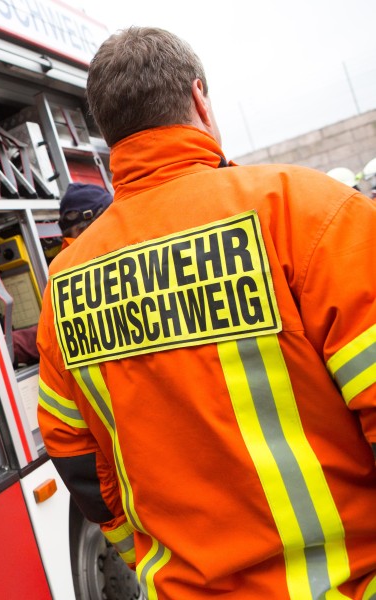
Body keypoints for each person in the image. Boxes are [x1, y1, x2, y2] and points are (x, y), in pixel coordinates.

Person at [36, 26, 376, 599]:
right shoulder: (309, 212)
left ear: (108, 132)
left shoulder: (64, 284)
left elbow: (80, 464)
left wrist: (144, 552)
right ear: (199, 99)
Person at [11, 182, 111, 366]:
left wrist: (11, 345)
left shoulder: (79, 271)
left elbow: (60, 330)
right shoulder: (76, 271)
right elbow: (62, 328)